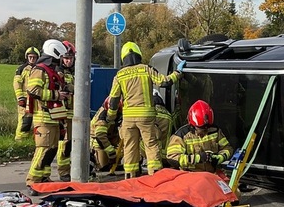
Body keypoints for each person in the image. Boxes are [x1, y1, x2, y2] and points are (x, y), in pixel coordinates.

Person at [107, 42, 182, 178]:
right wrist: (177, 73)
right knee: (151, 144)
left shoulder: (119, 75)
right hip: (146, 117)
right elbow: (164, 82)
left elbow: (113, 101)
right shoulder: (146, 69)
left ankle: (130, 176)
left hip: (128, 119)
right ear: (138, 54)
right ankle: (155, 176)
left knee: (130, 147)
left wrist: (110, 118)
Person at [24, 39, 70, 194]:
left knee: (52, 149)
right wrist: (56, 95)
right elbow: (33, 90)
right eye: (60, 56)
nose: (61, 60)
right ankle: (32, 181)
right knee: (43, 149)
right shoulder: (40, 70)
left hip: (53, 117)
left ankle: (44, 177)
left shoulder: (51, 70)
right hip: (43, 117)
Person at [167, 100, 232, 174]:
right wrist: (197, 158)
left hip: (212, 175)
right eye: (202, 128)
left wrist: (220, 158)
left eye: (207, 127)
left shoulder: (215, 131)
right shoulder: (181, 135)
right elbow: (172, 158)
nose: (206, 131)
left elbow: (227, 148)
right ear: (193, 126)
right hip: (190, 176)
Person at [56, 41, 76, 182]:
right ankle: (63, 172)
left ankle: (71, 168)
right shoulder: (58, 72)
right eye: (66, 58)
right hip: (63, 112)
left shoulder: (75, 72)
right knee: (64, 143)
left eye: (70, 58)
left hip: (74, 113)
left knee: (73, 143)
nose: (68, 61)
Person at [13, 46, 40, 141]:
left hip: (37, 99)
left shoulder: (40, 69)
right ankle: (20, 140)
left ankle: (36, 141)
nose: (32, 59)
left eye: (34, 57)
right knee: (25, 121)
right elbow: (17, 84)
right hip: (25, 100)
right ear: (27, 57)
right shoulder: (21, 69)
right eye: (30, 57)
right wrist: (20, 98)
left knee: (38, 121)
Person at [90, 98, 121, 172]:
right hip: (99, 142)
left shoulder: (115, 112)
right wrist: (111, 153)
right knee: (103, 167)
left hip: (111, 138)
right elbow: (100, 136)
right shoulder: (102, 119)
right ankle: (98, 160)